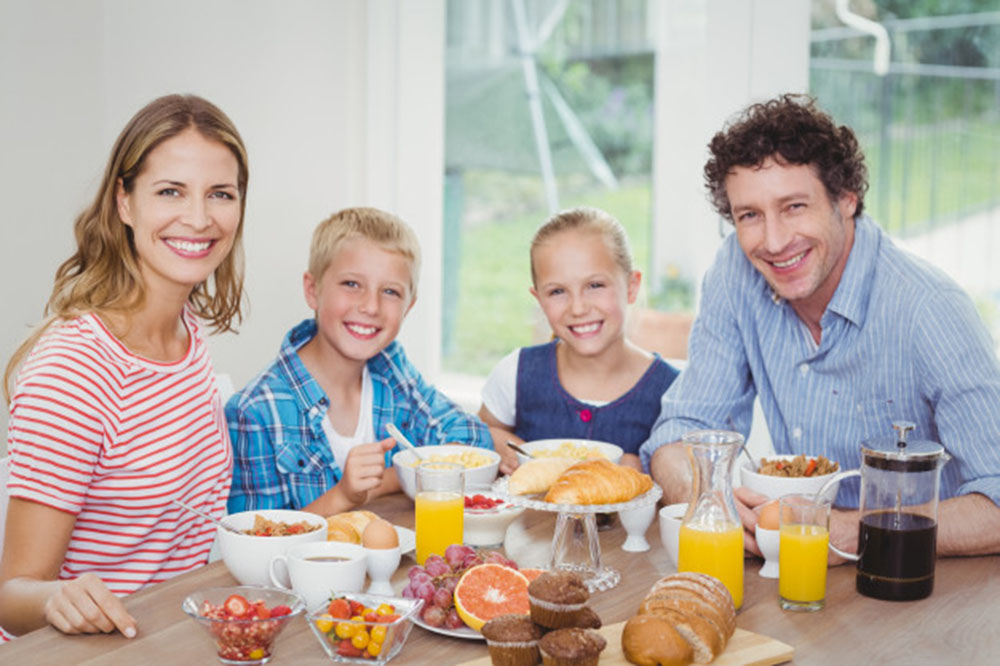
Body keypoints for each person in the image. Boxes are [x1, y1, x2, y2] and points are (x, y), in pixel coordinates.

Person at [640, 94, 1000, 559]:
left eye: (793, 207)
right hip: (797, 567)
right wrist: (715, 502)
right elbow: (680, 434)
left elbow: (996, 501)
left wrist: (854, 532)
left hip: (925, 580)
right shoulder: (735, 272)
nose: (773, 242)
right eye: (749, 215)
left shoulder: (929, 309)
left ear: (846, 199)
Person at [0, 94, 249, 639]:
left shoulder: (187, 334)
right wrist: (58, 598)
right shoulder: (75, 370)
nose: (200, 218)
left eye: (220, 194)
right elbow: (12, 596)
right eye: (170, 191)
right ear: (125, 202)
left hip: (167, 638)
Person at [226, 206, 492, 515]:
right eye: (352, 284)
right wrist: (343, 495)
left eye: (390, 292)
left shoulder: (390, 370)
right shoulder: (255, 411)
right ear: (313, 290)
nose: (370, 306)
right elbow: (257, 543)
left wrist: (385, 480)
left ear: (409, 306)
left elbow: (472, 438)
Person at [480, 207, 679, 474]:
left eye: (595, 286)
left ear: (631, 286)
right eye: (558, 291)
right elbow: (479, 434)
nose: (577, 308)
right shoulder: (515, 372)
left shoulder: (673, 392)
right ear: (538, 298)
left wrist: (643, 468)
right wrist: (499, 444)